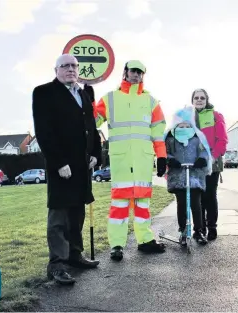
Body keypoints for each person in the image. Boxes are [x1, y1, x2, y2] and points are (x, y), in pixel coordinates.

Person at [32, 53, 102, 285]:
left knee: (77, 213)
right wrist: (59, 162)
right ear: (56, 70)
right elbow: (44, 132)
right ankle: (57, 265)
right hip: (62, 166)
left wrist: (95, 154)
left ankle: (74, 255)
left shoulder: (83, 94)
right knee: (59, 216)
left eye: (74, 66)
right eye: (65, 66)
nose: (71, 69)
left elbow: (91, 127)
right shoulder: (43, 92)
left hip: (82, 166)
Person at [94, 60, 167, 261]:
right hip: (121, 162)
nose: (136, 75)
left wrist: (161, 156)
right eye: (133, 71)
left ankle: (145, 241)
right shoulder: (109, 99)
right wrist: (88, 101)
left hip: (143, 161)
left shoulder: (151, 102)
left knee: (143, 203)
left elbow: (158, 134)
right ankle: (116, 245)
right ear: (125, 72)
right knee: (119, 204)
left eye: (140, 72)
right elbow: (92, 121)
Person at [165, 106, 212, 245]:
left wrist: (202, 158)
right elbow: (165, 151)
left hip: (195, 176)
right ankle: (183, 231)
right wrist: (170, 159)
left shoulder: (197, 137)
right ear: (175, 124)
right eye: (181, 125)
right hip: (178, 176)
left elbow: (204, 150)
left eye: (187, 125)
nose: (184, 128)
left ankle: (199, 231)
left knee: (196, 204)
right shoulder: (170, 138)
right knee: (181, 204)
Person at [192, 88, 228, 241]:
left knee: (209, 196)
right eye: (196, 98)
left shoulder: (216, 116)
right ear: (192, 100)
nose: (199, 100)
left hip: (212, 163)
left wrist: (213, 157)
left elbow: (222, 140)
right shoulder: (188, 117)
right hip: (194, 163)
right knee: (196, 198)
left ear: (206, 100)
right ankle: (199, 229)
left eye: (202, 98)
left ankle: (212, 227)